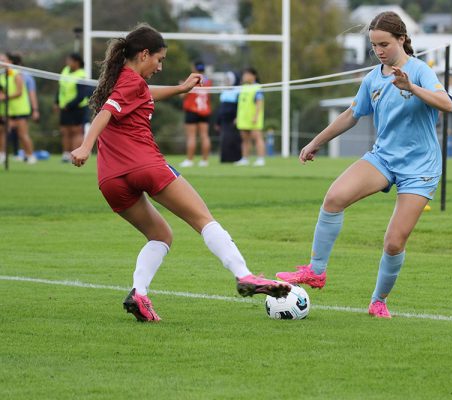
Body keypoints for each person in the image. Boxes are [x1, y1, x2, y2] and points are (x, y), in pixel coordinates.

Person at [70, 24, 290, 323]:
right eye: (158, 60)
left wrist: (181, 88)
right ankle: (245, 275)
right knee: (203, 219)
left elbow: (143, 94)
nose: (160, 67)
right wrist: (85, 146)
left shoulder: (121, 81)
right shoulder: (129, 82)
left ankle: (139, 293)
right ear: (144, 54)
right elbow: (106, 112)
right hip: (145, 166)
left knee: (160, 235)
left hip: (110, 180)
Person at [275, 11, 452, 318]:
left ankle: (378, 300)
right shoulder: (373, 78)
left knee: (394, 242)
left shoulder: (420, 71)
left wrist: (412, 89)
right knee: (334, 198)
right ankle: (316, 272)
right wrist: (316, 142)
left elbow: (447, 103)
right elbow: (351, 114)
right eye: (374, 46)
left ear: (401, 39)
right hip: (383, 158)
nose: (379, 51)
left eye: (384, 43)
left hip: (420, 167)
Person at [0, 52, 37, 164]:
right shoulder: (1, 75)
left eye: (3, 60)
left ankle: (30, 156)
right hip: (5, 110)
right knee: (2, 133)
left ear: (10, 62)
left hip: (19, 110)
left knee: (22, 134)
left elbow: (19, 92)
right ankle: (2, 155)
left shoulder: (16, 74)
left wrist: (4, 97)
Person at [56, 53, 89, 163]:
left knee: (76, 131)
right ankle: (65, 154)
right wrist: (57, 102)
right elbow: (61, 88)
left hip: (77, 108)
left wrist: (69, 105)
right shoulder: (65, 71)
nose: (68, 63)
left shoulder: (81, 75)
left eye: (70, 61)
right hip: (64, 108)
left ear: (76, 62)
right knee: (65, 131)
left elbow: (81, 95)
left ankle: (75, 155)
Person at [180, 59, 212, 168]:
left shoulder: (191, 80)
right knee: (204, 136)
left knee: (191, 136)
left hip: (192, 110)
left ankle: (189, 160)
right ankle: (205, 161)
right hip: (205, 110)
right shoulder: (208, 81)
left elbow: (182, 95)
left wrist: (181, 86)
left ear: (195, 68)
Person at [234, 67, 266, 167]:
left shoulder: (257, 88)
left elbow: (259, 103)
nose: (245, 77)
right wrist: (237, 117)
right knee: (245, 140)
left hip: (254, 118)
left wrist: (256, 116)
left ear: (253, 76)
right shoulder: (242, 88)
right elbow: (241, 104)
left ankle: (261, 159)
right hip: (243, 118)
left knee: (257, 138)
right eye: (244, 74)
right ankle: (245, 158)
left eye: (247, 74)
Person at [215, 71, 242, 163]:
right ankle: (225, 159)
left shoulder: (238, 91)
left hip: (233, 120)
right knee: (224, 140)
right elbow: (220, 109)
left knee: (234, 140)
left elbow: (240, 107)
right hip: (224, 121)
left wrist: (238, 117)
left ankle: (236, 159)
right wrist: (217, 122)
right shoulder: (224, 92)